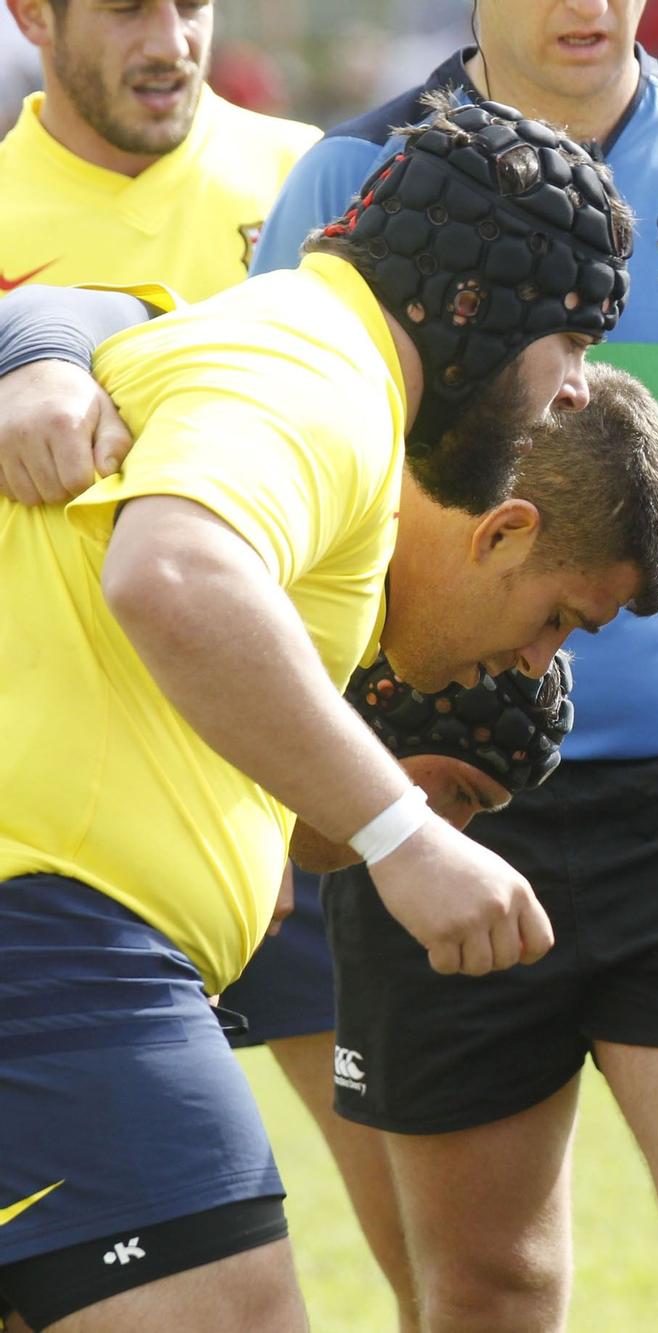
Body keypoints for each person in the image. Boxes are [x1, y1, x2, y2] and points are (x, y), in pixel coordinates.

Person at [248, 7, 658, 1329]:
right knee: (487, 1289)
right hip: (434, 807)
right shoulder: (355, 176)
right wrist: (295, 795)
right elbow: (280, 488)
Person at [0, 93, 658, 1327]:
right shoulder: (322, 372)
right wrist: (405, 836)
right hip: (50, 933)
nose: (576, 393)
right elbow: (172, 574)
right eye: (574, 344)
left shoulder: (307, 364)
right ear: (480, 313)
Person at [0, 2, 432, 1316]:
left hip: (296, 796)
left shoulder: (318, 184)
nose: (174, 35)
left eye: (193, 1)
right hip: (71, 823)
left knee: (444, 1240)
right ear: (32, 14)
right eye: (130, 4)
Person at [0, 0, 318, 310]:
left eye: (192, 5)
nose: (171, 46)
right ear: (34, 15)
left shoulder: (314, 173)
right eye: (126, 9)